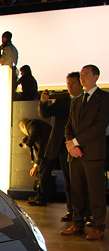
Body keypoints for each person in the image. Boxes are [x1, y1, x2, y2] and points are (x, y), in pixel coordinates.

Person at [61, 65, 109, 240]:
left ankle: (98, 227)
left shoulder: (104, 98)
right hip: (75, 154)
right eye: (81, 75)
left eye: (86, 74)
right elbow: (69, 125)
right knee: (77, 191)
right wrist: (70, 144)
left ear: (96, 76)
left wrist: (76, 142)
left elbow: (99, 126)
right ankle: (78, 223)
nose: (82, 78)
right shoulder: (77, 100)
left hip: (93, 153)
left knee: (96, 191)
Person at [38, 72, 84, 221]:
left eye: (73, 83)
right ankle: (72, 211)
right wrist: (44, 101)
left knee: (81, 180)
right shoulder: (63, 101)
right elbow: (45, 113)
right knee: (67, 179)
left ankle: (84, 212)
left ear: (81, 83)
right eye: (68, 84)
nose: (70, 87)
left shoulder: (87, 100)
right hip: (62, 145)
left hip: (81, 145)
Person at [19, 118, 53, 206]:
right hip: (47, 150)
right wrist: (35, 165)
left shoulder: (30, 124)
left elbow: (33, 134)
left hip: (47, 151)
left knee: (43, 174)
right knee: (43, 173)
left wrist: (27, 144)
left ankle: (41, 199)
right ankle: (40, 197)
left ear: (23, 127)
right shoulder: (37, 126)